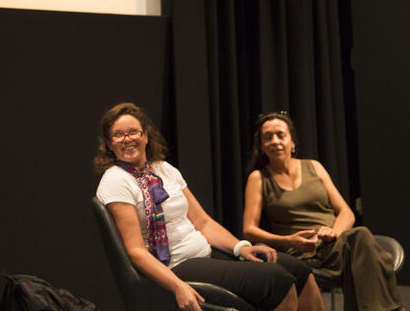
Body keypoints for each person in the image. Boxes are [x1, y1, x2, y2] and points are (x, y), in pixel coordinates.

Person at [95, 102, 322, 311]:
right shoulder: (116, 180)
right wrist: (176, 286)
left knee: (298, 270)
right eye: (118, 135)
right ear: (109, 144)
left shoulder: (164, 169)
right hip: (176, 265)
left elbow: (202, 221)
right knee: (276, 281)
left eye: (133, 132)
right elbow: (135, 251)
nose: (127, 139)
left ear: (145, 136)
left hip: (206, 251)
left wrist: (240, 247)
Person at [242, 112, 404, 311]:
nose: (275, 141)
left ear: (292, 142)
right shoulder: (258, 178)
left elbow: (346, 212)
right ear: (262, 147)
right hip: (301, 249)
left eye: (280, 135)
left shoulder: (314, 167)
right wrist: (289, 240)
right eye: (268, 137)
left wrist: (333, 231)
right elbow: (249, 230)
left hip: (335, 242)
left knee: (359, 239)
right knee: (366, 249)